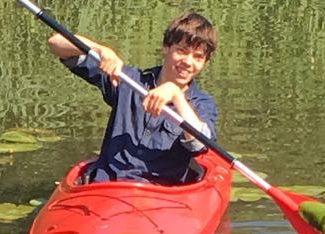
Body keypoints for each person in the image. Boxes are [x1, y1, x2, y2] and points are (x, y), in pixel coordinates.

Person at [46, 11, 218, 185]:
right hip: (106, 188)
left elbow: (199, 145)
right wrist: (100, 50)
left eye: (198, 57)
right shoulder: (126, 80)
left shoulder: (202, 104)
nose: (188, 62)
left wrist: (176, 95)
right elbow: (56, 44)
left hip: (160, 197)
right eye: (182, 51)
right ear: (166, 47)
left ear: (205, 63)